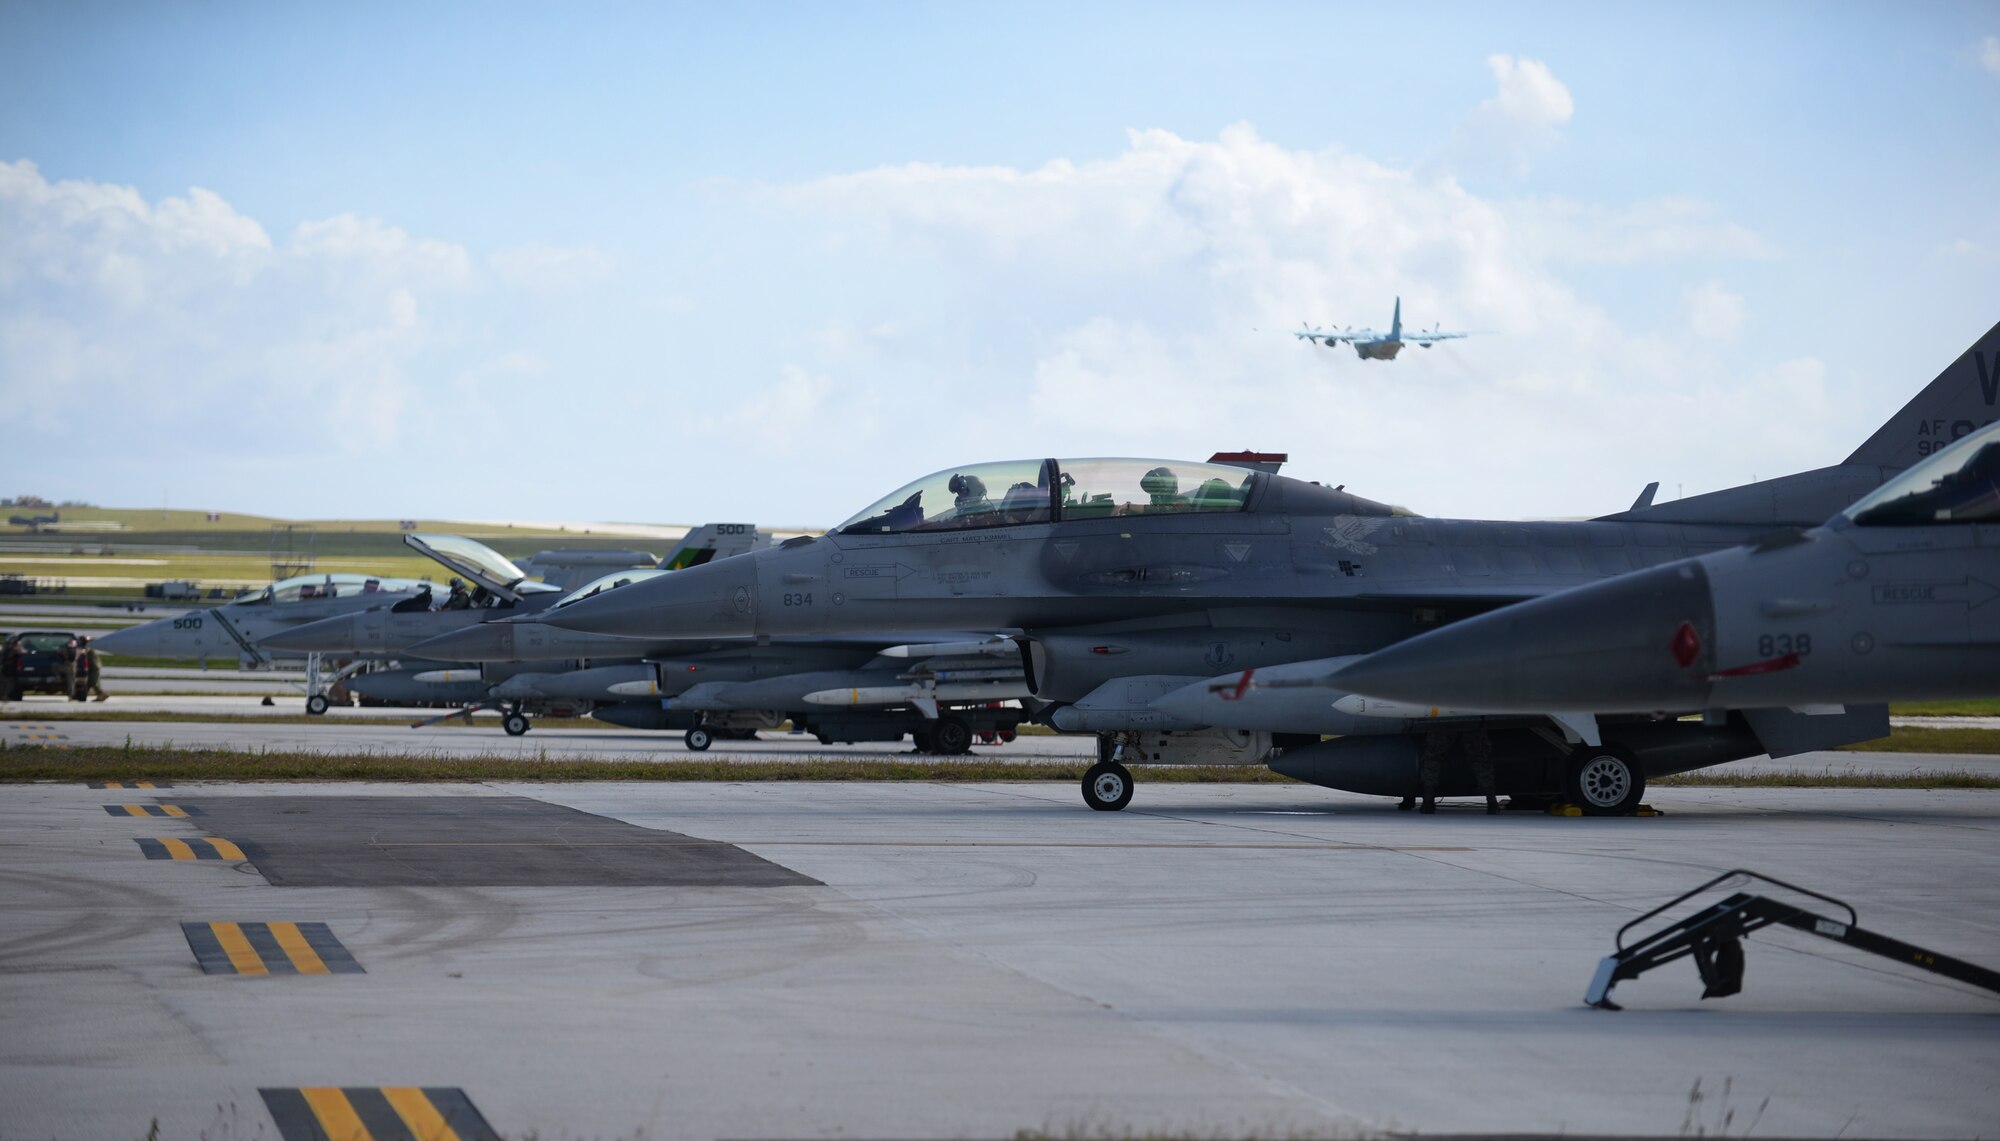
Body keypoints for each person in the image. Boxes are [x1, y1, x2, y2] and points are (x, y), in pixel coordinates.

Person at [1414, 729, 1499, 815]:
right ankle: (1491, 800)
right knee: (1480, 756)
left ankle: (1428, 799)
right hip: (1471, 722)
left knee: (1433, 756)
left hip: (1445, 722)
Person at [78, 635, 107, 702]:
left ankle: (102, 694)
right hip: (93, 666)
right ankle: (85, 695)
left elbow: (84, 651)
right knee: (92, 682)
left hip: (94, 666)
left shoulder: (88, 647)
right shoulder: (88, 646)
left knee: (93, 682)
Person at [54, 636, 79, 701]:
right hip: (73, 668)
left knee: (55, 666)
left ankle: (58, 677)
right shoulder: (78, 650)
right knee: (71, 682)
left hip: (66, 667)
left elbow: (57, 651)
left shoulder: (64, 650)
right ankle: (70, 696)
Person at [0, 634, 20, 701]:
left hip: (7, 668)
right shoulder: (11, 648)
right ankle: (4, 696)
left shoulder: (5, 647)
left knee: (6, 683)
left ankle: (4, 696)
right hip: (8, 668)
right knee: (8, 683)